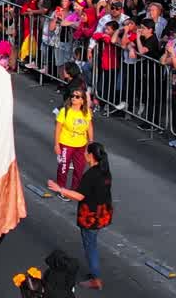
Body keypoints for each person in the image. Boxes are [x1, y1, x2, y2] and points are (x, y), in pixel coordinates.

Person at [48, 142, 112, 290]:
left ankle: (96, 279)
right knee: (93, 242)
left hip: (90, 216)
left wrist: (60, 189)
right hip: (103, 213)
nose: (83, 155)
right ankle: (94, 275)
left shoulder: (91, 175)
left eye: (85, 153)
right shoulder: (105, 171)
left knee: (90, 247)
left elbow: (79, 195)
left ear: (90, 156)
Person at [54, 86, 93, 194]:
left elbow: (89, 127)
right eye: (72, 96)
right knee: (63, 167)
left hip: (81, 145)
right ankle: (61, 188)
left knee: (79, 168)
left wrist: (90, 142)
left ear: (82, 100)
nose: (73, 98)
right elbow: (58, 128)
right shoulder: (64, 111)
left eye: (77, 96)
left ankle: (75, 189)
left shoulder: (86, 112)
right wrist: (56, 145)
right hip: (66, 143)